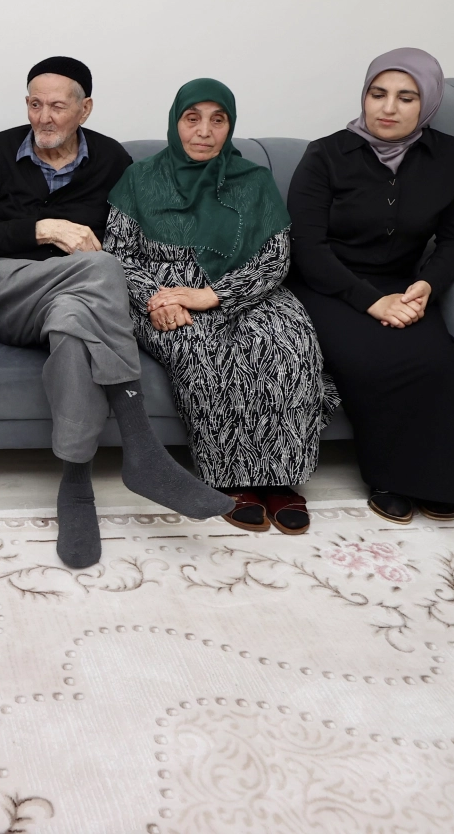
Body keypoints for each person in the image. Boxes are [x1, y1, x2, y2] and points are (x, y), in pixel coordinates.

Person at [0, 58, 232, 567]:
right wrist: (46, 229)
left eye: (58, 107)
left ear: (85, 109)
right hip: (0, 289)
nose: (44, 117)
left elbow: (133, 241)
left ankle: (75, 485)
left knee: (75, 320)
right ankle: (142, 448)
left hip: (69, 298)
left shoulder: (111, 160)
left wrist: (179, 289)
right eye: (35, 104)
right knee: (99, 270)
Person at [104, 78, 333, 536]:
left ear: (230, 126)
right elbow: (117, 254)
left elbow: (275, 259)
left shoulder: (254, 180)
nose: (204, 131)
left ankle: (280, 479)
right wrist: (156, 298)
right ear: (176, 122)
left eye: (218, 120)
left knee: (288, 344)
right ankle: (229, 478)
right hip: (163, 295)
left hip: (248, 289)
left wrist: (214, 295)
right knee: (202, 348)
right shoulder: (140, 179)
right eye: (192, 119)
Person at [288, 48, 454, 524]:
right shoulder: (326, 154)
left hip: (404, 285)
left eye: (406, 97)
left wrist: (427, 285)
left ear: (429, 102)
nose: (388, 108)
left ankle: (436, 479)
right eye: (377, 94)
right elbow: (307, 247)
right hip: (328, 284)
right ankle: (390, 478)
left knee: (440, 363)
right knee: (373, 360)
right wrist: (371, 301)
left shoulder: (451, 157)